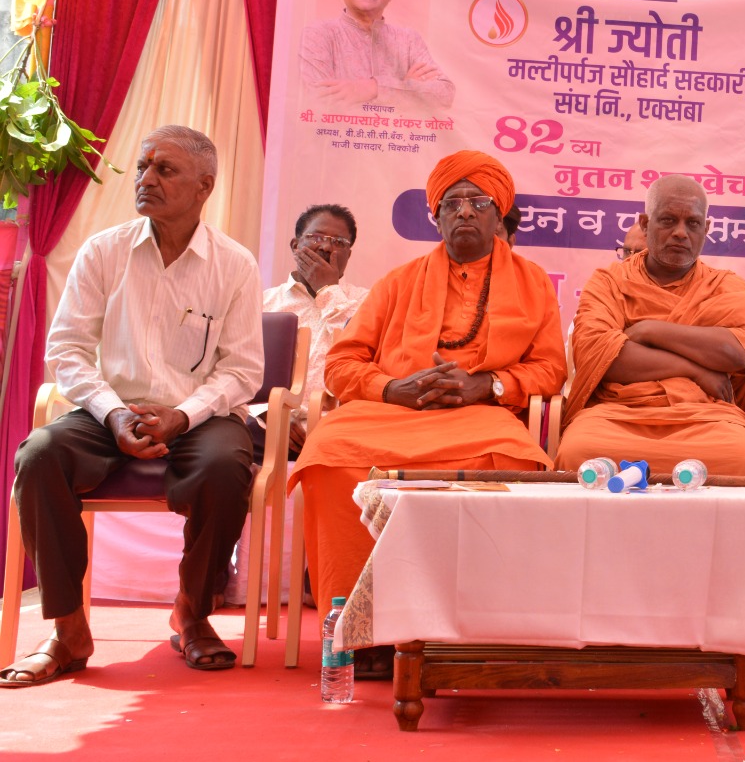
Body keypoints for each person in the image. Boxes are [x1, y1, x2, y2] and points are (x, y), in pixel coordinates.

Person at [2, 126, 263, 684]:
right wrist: (113, 411)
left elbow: (242, 370)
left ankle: (192, 613)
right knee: (39, 454)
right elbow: (67, 350)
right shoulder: (104, 250)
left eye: (165, 170)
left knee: (225, 466)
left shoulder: (235, 263)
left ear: (204, 186)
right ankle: (68, 629)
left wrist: (183, 415)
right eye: (143, 167)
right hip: (109, 410)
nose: (146, 179)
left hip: (199, 414)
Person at [291, 151, 566, 642]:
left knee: (514, 459)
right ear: (436, 218)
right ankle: (359, 631)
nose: (465, 212)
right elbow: (341, 364)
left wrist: (488, 384)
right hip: (390, 413)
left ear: (499, 214)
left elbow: (549, 369)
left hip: (479, 417)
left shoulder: (534, 283)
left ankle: (478, 629)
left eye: (478, 202)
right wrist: (391, 388)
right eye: (452, 203)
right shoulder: (396, 282)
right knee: (329, 456)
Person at [555, 175, 745, 477]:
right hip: (617, 414)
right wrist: (696, 370)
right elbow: (605, 359)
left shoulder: (730, 289)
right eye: (668, 220)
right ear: (645, 224)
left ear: (706, 229)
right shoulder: (609, 282)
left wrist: (648, 330)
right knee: (578, 451)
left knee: (741, 457)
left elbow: (734, 353)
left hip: (706, 416)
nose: (681, 233)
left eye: (693, 223)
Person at [259, 204, 368, 458]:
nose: (326, 247)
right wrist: (267, 414)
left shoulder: (366, 301)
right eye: (317, 238)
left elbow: (359, 350)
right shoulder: (263, 303)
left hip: (340, 429)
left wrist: (327, 291)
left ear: (348, 255)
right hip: (265, 426)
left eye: (339, 242)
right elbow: (242, 369)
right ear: (295, 246)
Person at [299, 0, 455, 113]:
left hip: (398, 132)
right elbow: (318, 102)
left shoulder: (409, 39)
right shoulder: (318, 34)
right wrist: (404, 86)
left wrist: (372, 88)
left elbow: (445, 94)